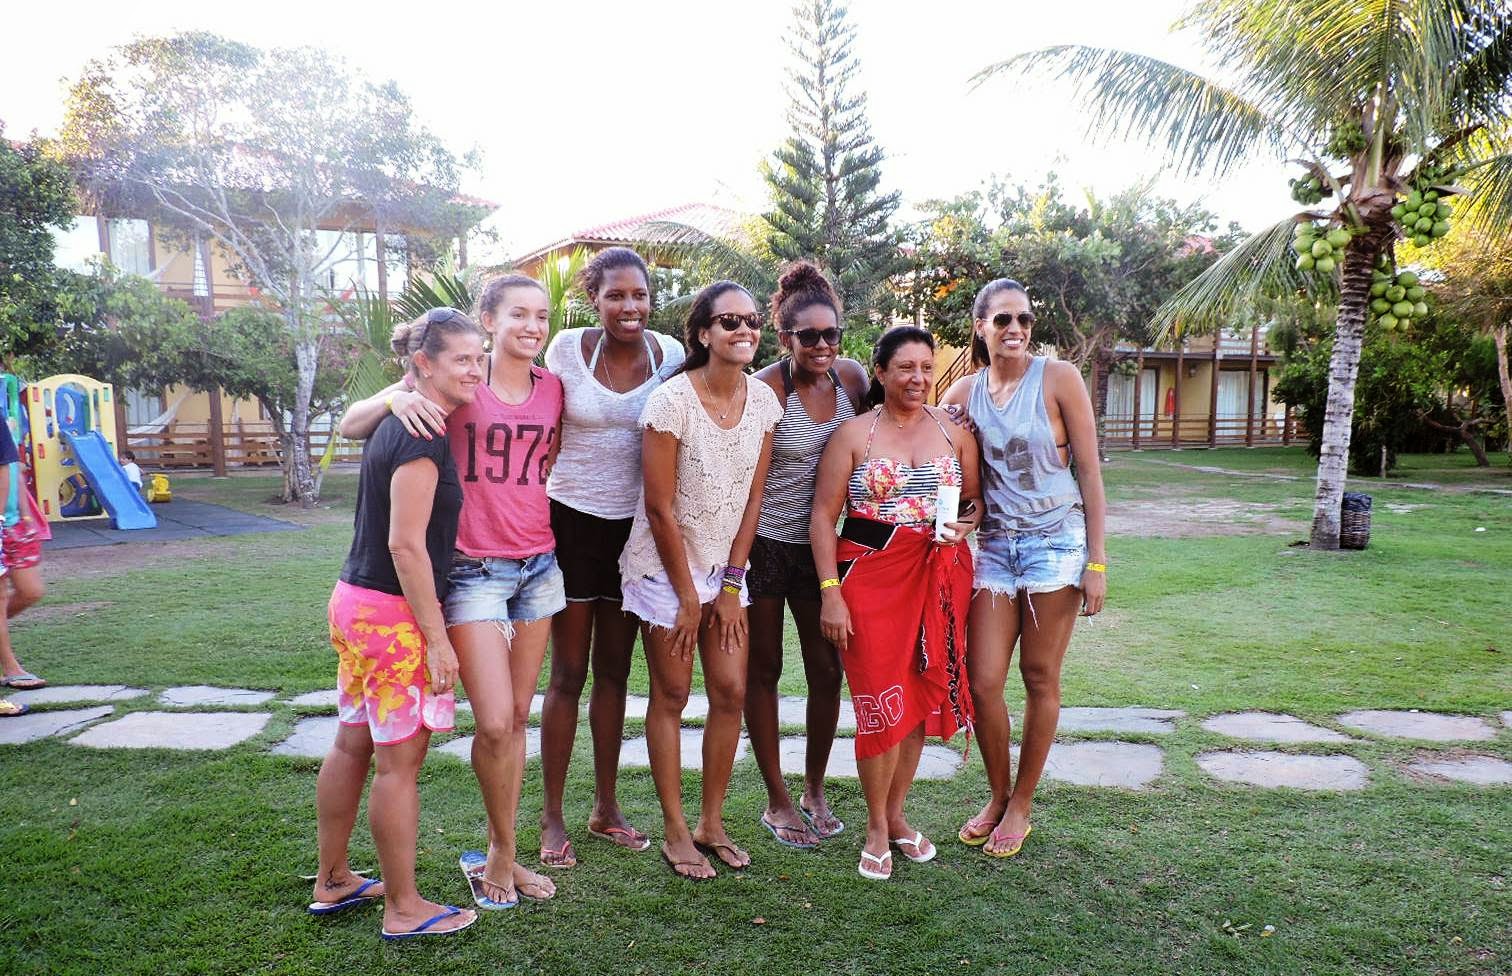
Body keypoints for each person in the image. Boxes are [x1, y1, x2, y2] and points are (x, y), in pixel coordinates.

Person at [337, 276, 563, 908]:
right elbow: (352, 424)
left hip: (539, 565)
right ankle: (495, 852)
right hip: (472, 571)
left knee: (517, 718)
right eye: (518, 314)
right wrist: (393, 397)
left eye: (541, 315)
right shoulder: (460, 382)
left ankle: (503, 853)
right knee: (493, 721)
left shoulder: (553, 389)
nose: (532, 326)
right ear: (488, 319)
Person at [311, 307, 482, 940]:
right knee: (397, 766)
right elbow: (406, 546)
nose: (475, 369)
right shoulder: (421, 432)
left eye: (479, 357)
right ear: (423, 365)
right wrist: (437, 641)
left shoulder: (396, 418)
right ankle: (404, 908)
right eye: (462, 359)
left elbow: (355, 422)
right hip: (392, 616)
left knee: (351, 743)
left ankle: (334, 879)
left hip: (355, 602)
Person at [619, 280, 782, 879]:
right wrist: (688, 597)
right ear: (704, 333)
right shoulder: (670, 403)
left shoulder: (763, 402)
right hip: (665, 568)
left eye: (752, 321)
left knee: (731, 691)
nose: (745, 330)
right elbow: (658, 508)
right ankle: (675, 829)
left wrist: (731, 586)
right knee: (672, 694)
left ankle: (712, 822)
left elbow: (753, 499)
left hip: (725, 567)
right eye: (730, 321)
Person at [939, 278, 1107, 859]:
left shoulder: (1059, 378)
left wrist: (1097, 562)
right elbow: (950, 470)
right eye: (1003, 319)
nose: (1016, 329)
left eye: (1025, 320)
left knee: (1039, 677)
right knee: (983, 681)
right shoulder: (963, 393)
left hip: (1055, 545)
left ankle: (1022, 804)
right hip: (993, 549)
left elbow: (1090, 472)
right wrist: (963, 515)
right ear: (980, 326)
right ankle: (997, 794)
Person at [810, 326, 982, 881]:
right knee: (879, 701)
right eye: (906, 367)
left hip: (940, 579)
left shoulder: (954, 432)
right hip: (869, 580)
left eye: (927, 367)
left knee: (916, 699)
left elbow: (975, 500)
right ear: (881, 372)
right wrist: (830, 593)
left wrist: (965, 524)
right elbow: (822, 518)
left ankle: (897, 815)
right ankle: (876, 827)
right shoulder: (853, 435)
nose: (918, 378)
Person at [537, 247, 685, 867]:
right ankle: (551, 816)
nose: (630, 306)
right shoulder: (565, 350)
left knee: (615, 673)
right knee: (568, 672)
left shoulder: (670, 356)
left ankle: (606, 807)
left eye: (639, 295)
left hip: (636, 532)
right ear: (593, 299)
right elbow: (538, 419)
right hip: (571, 523)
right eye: (616, 295)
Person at [745, 261, 867, 848]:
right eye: (809, 336)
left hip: (824, 551)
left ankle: (815, 788)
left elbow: (890, 427)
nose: (822, 345)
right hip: (764, 546)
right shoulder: (767, 389)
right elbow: (748, 481)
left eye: (831, 334)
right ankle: (777, 799)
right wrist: (734, 569)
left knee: (826, 669)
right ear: (784, 337)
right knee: (763, 669)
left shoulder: (852, 380)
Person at [0, 405, 44, 706]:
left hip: (13, 522)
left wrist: (26, 516)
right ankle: (11, 667)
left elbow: (12, 470)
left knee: (31, 591)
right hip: (2, 522)